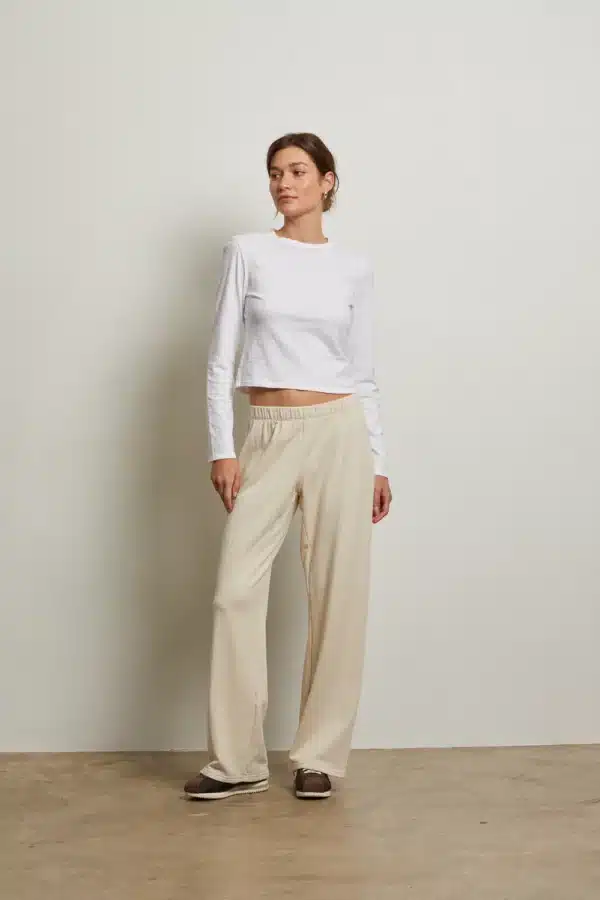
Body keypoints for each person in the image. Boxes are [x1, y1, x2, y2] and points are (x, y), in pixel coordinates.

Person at [184, 132, 392, 802]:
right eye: (275, 172)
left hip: (339, 432)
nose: (283, 183)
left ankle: (320, 756)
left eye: (298, 171)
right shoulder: (248, 252)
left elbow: (363, 373)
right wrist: (222, 446)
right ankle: (236, 761)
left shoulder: (352, 267)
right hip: (269, 432)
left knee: (338, 592)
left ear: (327, 182)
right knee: (234, 591)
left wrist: (379, 461)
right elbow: (221, 358)